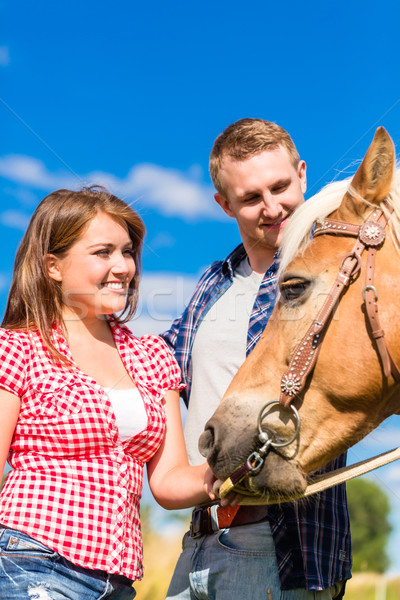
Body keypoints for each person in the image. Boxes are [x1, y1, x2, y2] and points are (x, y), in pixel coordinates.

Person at [162, 119, 352, 600]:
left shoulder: (335, 278)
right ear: (224, 205)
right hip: (199, 540)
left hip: (279, 549)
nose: (272, 207)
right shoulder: (211, 283)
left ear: (303, 175)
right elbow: (154, 363)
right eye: (250, 198)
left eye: (281, 186)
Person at [0, 187, 215, 599]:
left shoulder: (153, 357)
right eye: (103, 252)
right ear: (53, 266)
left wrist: (231, 473)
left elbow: (169, 482)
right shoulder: (16, 349)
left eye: (128, 252)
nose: (123, 267)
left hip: (117, 582)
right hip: (32, 562)